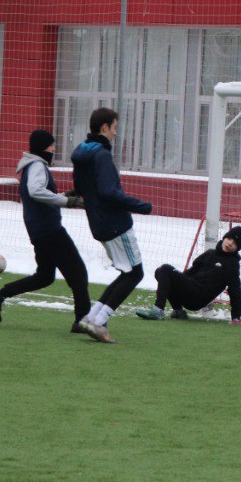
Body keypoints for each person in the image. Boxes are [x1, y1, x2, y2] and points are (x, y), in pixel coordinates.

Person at [0, 129, 91, 334]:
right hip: (50, 231)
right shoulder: (38, 165)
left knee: (44, 277)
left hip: (39, 231)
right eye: (51, 145)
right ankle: (82, 320)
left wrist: (66, 195)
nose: (53, 149)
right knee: (78, 274)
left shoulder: (31, 166)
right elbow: (36, 191)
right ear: (43, 147)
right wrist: (68, 201)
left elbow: (40, 195)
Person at [71, 108, 152, 343]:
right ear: (104, 128)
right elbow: (108, 192)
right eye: (115, 128)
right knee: (135, 273)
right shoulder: (102, 156)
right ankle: (98, 322)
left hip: (97, 222)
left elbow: (79, 188)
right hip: (115, 223)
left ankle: (90, 318)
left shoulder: (80, 152)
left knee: (126, 271)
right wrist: (140, 205)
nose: (116, 133)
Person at [135, 226, 241, 325]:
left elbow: (235, 291)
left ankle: (158, 310)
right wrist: (177, 281)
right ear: (225, 237)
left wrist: (236, 317)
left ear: (237, 248)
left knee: (165, 268)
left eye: (234, 243)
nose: (230, 243)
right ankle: (178, 311)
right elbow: (190, 272)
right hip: (190, 288)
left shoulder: (232, 264)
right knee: (160, 271)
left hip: (198, 298)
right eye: (229, 238)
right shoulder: (210, 253)